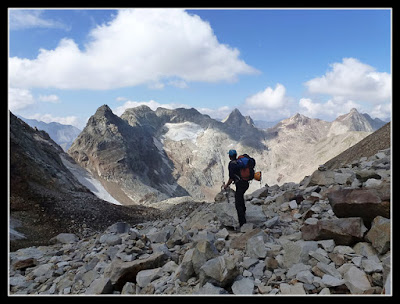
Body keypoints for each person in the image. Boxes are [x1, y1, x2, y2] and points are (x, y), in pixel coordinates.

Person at [223, 149, 249, 227]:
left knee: (238, 204)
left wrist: (226, 185)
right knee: (240, 198)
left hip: (240, 184)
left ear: (229, 156)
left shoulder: (232, 164)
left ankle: (243, 224)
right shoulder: (239, 162)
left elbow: (231, 178)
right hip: (246, 183)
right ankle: (244, 215)